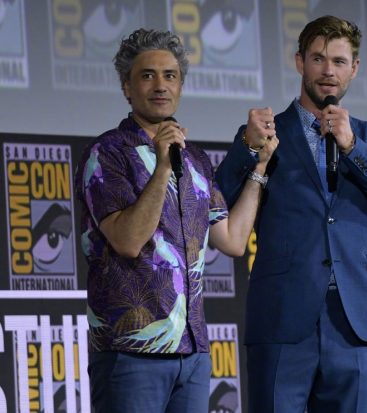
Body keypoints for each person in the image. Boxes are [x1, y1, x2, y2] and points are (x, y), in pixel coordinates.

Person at [215, 15, 367, 413]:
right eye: (318, 59)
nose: (328, 71)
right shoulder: (267, 131)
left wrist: (351, 145)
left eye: (339, 61)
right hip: (282, 314)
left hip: (353, 318)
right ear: (299, 62)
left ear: (354, 69)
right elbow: (218, 198)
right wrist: (247, 146)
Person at [75, 28, 278, 413]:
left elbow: (233, 240)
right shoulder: (107, 153)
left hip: (193, 352)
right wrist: (163, 167)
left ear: (180, 86)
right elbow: (128, 240)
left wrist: (259, 169)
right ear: (127, 87)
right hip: (130, 352)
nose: (160, 85)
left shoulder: (196, 159)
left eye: (170, 76)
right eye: (147, 75)